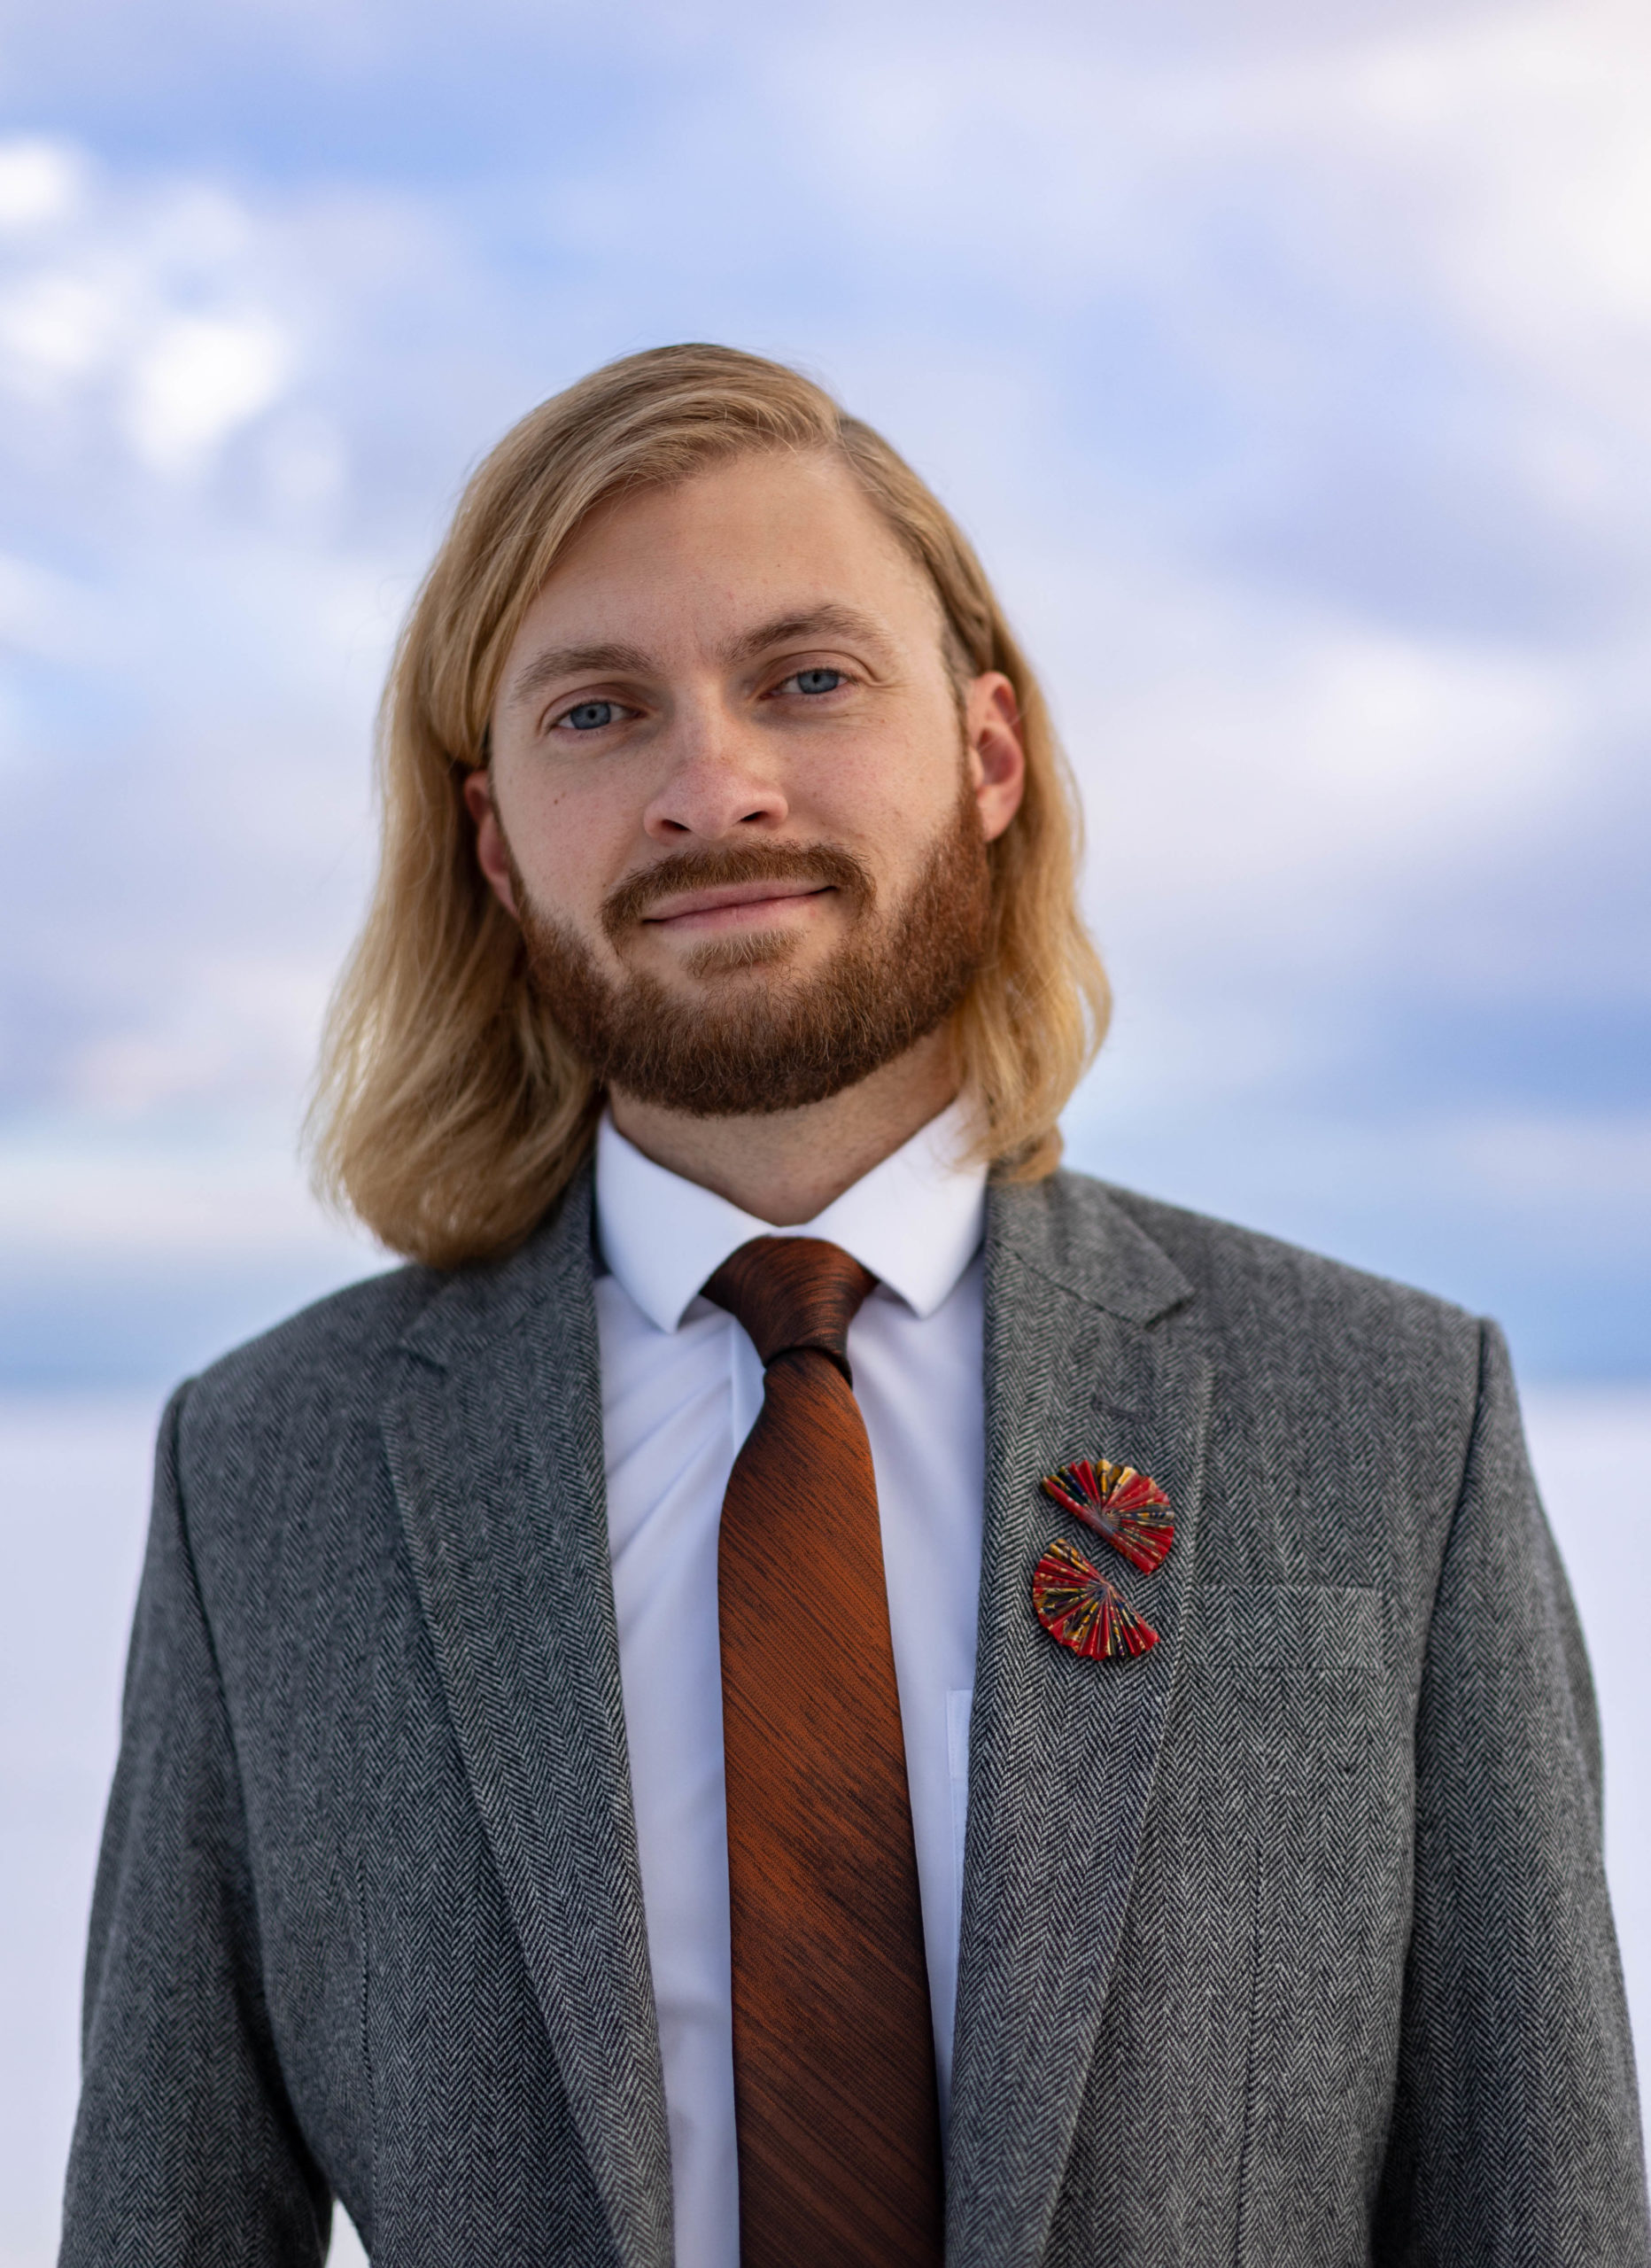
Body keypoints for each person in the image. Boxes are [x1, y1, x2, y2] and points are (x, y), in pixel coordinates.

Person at [60, 344, 1647, 2268]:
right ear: (494, 839)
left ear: (986, 753)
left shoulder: (1392, 1424)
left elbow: (1540, 2213)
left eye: (806, 680)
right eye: (596, 710)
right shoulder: (270, 1476)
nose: (707, 787)